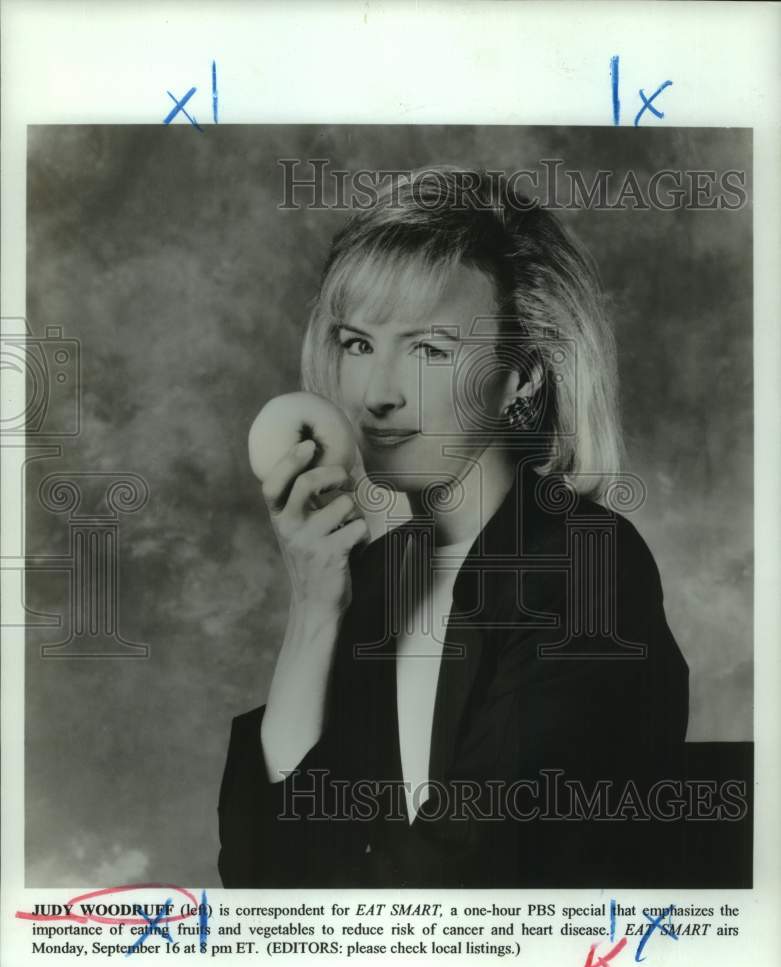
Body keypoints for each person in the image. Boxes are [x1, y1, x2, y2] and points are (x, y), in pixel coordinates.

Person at [218, 165, 690, 888]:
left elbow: (465, 882)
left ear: (523, 376)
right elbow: (255, 881)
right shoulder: (370, 582)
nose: (375, 395)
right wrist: (313, 609)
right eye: (357, 343)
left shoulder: (587, 567)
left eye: (430, 349)